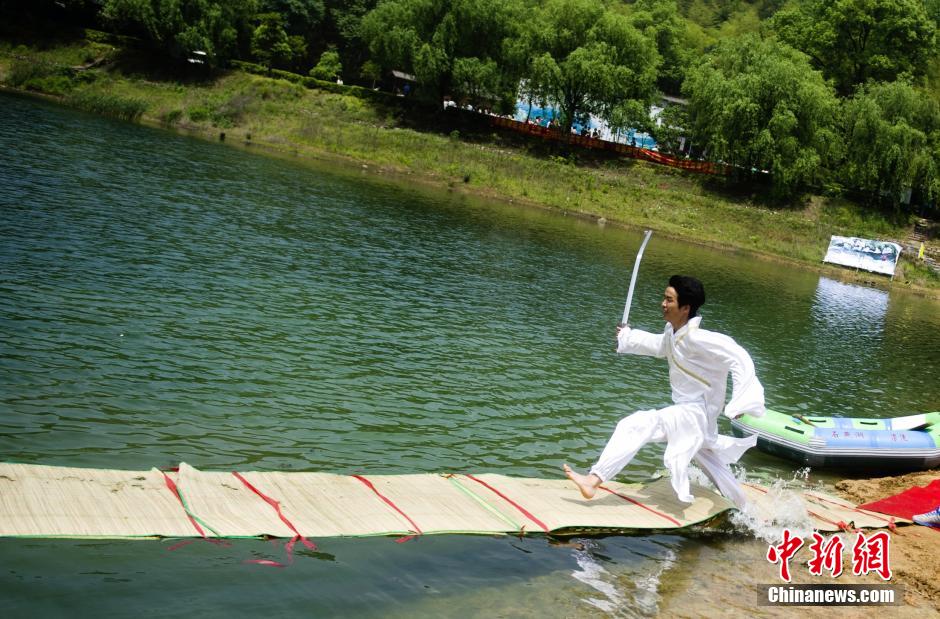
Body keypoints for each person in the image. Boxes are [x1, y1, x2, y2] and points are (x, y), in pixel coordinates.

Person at [564, 275, 765, 509]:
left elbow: (738, 356)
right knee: (715, 468)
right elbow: (660, 346)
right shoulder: (673, 332)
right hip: (694, 418)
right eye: (664, 298)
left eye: (669, 300)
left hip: (695, 414)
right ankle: (747, 512)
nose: (663, 304)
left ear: (685, 308)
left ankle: (592, 481)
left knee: (636, 424)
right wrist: (627, 337)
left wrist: (741, 402)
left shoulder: (697, 338)